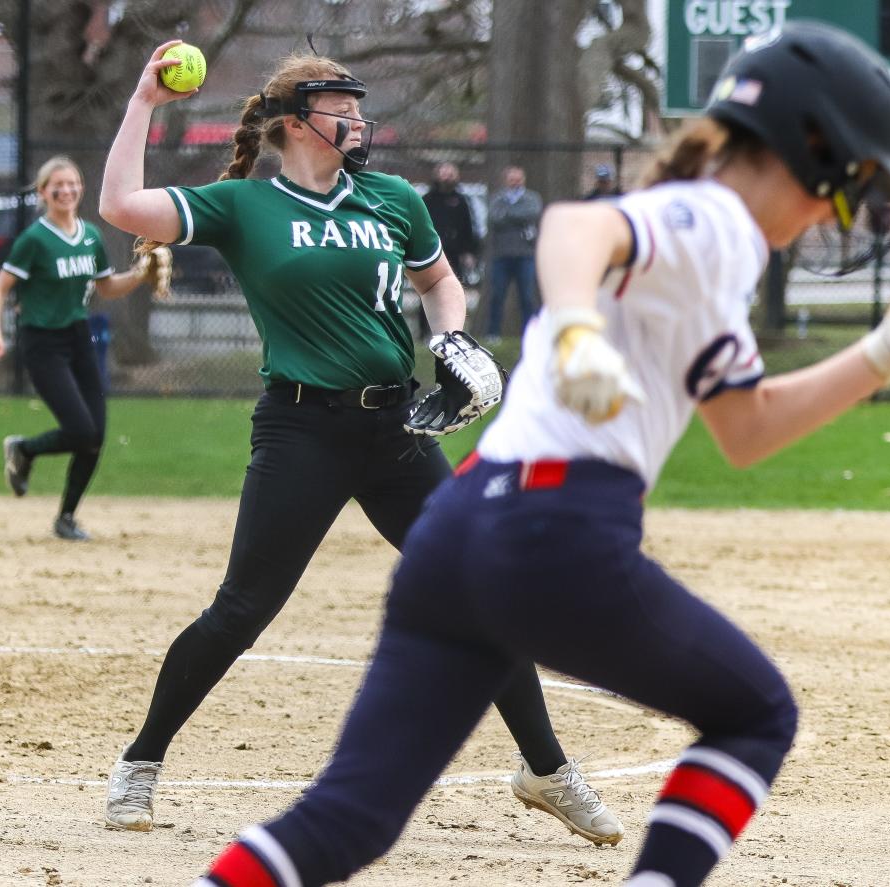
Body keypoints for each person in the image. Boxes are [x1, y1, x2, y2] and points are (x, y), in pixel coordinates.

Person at [192, 22, 890, 887]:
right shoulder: (717, 216)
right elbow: (576, 228)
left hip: (460, 530)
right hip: (556, 531)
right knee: (757, 714)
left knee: (350, 818)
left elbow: (747, 428)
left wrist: (886, 355)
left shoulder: (710, 251)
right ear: (807, 149)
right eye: (843, 191)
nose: (829, 216)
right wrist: (573, 329)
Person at [96, 42, 622, 845]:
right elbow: (123, 207)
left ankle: (546, 770)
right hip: (302, 427)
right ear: (297, 122)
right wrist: (143, 102)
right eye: (340, 108)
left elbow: (441, 282)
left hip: (397, 428)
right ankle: (141, 759)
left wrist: (452, 341)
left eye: (355, 107)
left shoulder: (391, 198)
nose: (356, 119)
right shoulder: (246, 205)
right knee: (243, 609)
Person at [0, 155, 165, 541]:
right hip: (43, 343)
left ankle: (66, 517)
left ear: (81, 188)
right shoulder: (34, 240)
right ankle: (25, 450)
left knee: (95, 434)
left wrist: (139, 274)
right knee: (81, 429)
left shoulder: (90, 235)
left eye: (73, 184)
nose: (66, 191)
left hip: (79, 338)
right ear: (43, 193)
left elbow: (106, 287)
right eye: (57, 186)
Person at [486, 164, 543, 339]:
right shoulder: (497, 198)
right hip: (501, 255)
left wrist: (508, 215)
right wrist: (516, 217)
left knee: (527, 296)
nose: (515, 181)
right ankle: (493, 334)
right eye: (512, 178)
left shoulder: (532, 198)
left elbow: (532, 214)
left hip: (525, 255)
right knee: (497, 295)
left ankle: (529, 334)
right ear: (506, 180)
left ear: (523, 179)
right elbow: (494, 218)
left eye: (518, 178)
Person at [421, 161, 480, 285]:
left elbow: (467, 227)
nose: (447, 176)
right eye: (444, 172)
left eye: (451, 172)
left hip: (454, 252)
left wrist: (468, 251)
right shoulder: (427, 199)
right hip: (432, 250)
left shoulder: (460, 201)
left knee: (453, 283)